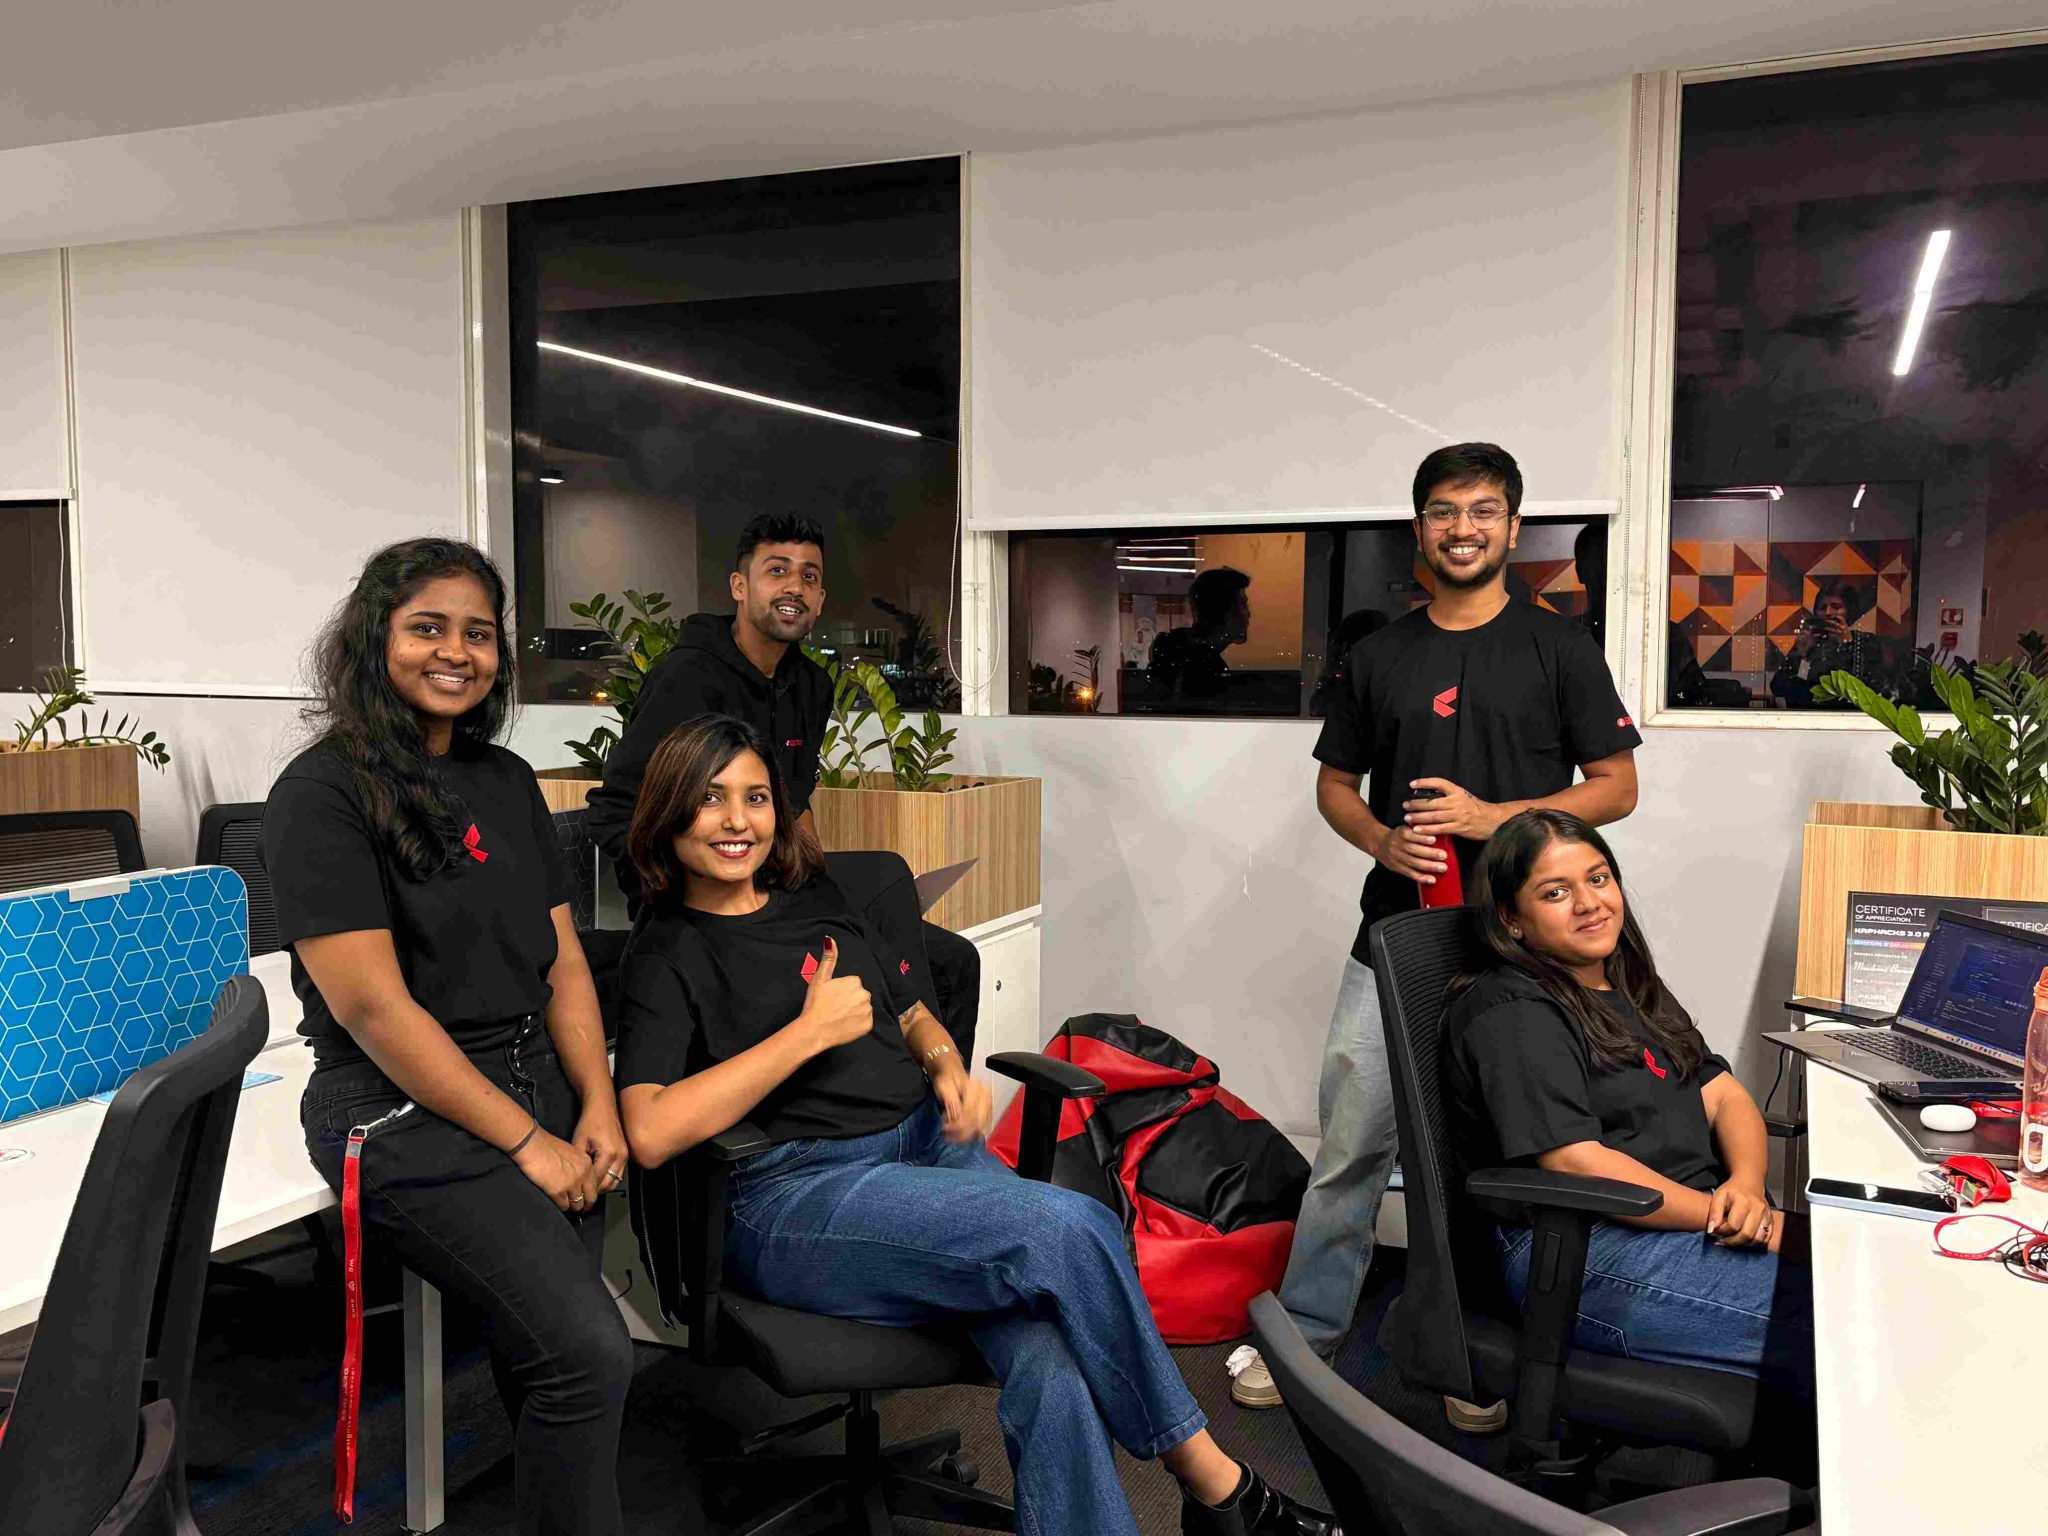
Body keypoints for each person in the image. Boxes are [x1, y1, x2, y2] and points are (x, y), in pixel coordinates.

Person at [612, 715, 1341, 1536]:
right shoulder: (666, 950)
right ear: (670, 809)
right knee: (1068, 1226)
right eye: (711, 799)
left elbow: (908, 1007)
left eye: (755, 798)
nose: (737, 821)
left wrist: (944, 1066)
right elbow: (650, 1130)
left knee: (1051, 1354)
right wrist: (804, 1036)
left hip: (925, 1145)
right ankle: (1218, 1485)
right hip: (797, 1194)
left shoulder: (813, 894)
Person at [1229, 443, 1641, 1413]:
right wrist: (1379, 839)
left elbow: (1616, 788)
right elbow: (1335, 787)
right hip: (1395, 938)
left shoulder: (1558, 647)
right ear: (1420, 528)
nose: (1464, 528)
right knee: (1351, 1146)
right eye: (1445, 511)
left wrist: (1491, 818)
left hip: (1521, 948)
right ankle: (1308, 1334)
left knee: (1493, 1159)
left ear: (1512, 527)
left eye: (1484, 510)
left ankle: (1475, 1353)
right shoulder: (1380, 656)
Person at [265, 538, 633, 1536]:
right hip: (395, 1104)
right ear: (374, 637)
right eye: (427, 627)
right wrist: (528, 1142)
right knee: (587, 1355)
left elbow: (562, 961)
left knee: (551, 1361)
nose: (456, 652)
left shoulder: (504, 778)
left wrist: (596, 1101)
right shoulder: (322, 793)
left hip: (535, 1077)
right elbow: (374, 1012)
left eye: (478, 633)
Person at [1443, 808, 1814, 1397]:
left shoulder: (1625, 980)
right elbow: (1576, 1163)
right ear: (1512, 920)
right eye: (1555, 892)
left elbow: (1721, 1092)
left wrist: (1746, 1184)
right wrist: (1735, 1217)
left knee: (1858, 1277)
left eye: (1598, 878)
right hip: (1580, 1248)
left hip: (1686, 1216)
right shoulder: (1512, 1012)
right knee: (1844, 1320)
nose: (1589, 903)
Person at [585, 512, 983, 1058]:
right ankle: (908, 1078)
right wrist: (686, 905)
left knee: (952, 962)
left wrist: (817, 890)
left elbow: (794, 805)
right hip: (700, 900)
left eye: (809, 577)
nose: (795, 586)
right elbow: (615, 811)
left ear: (820, 600)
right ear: (739, 586)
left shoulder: (809, 685)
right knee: (885, 878)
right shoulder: (687, 678)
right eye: (777, 571)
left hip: (778, 890)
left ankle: (931, 1087)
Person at [1771, 581, 1898, 706]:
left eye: (1836, 607)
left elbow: (1870, 689)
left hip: (1851, 716)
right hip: (1810, 714)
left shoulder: (1865, 643)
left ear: (1849, 611)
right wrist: (1803, 656)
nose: (1828, 612)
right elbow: (1780, 688)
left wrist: (1847, 645)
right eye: (1822, 608)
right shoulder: (1811, 644)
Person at [1148, 566, 1251, 703]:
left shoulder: (1176, 650)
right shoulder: (1205, 667)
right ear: (1225, 611)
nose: (1248, 613)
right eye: (1243, 604)